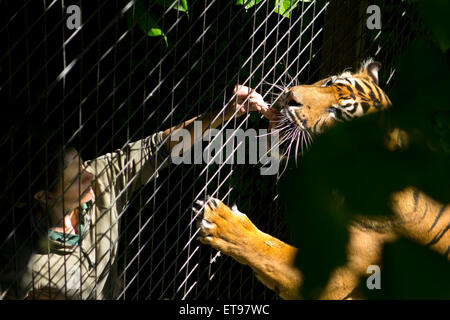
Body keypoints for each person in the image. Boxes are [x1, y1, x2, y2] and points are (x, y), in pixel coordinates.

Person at [0, 85, 272, 299]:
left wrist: (225, 112)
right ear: (43, 196)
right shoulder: (18, 261)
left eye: (83, 164)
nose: (90, 176)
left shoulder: (102, 179)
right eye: (76, 179)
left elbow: (159, 148)